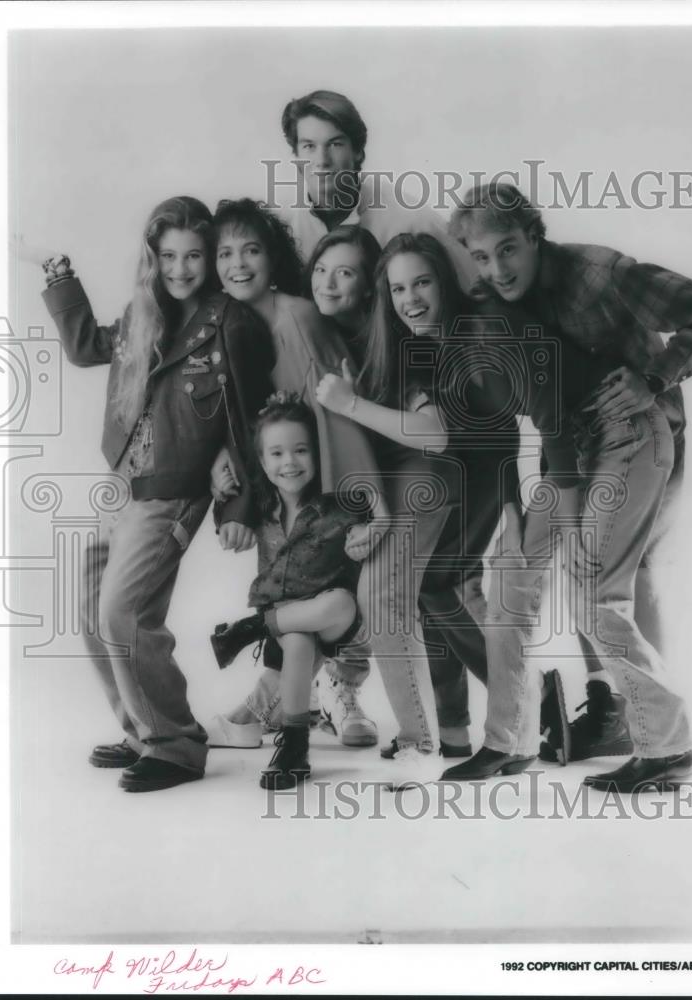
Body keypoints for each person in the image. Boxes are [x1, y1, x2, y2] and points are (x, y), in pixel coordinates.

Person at [444, 182, 692, 790]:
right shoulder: (488, 302)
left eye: (509, 249)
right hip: (568, 450)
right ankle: (508, 740)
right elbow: (535, 404)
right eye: (481, 256)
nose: (497, 269)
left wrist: (654, 375)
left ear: (535, 235)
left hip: (632, 430)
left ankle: (666, 747)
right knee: (512, 574)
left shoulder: (599, 273)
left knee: (597, 590)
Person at [38, 196, 275, 792]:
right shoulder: (144, 313)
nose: (180, 269)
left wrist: (237, 506)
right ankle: (142, 730)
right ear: (153, 258)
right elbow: (87, 346)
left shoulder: (232, 324)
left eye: (193, 255)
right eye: (167, 256)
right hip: (122, 482)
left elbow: (247, 423)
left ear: (209, 258)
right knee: (92, 610)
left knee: (125, 610)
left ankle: (175, 745)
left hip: (173, 492)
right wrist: (58, 273)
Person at [206, 200, 385, 749]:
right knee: (293, 601)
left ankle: (328, 695)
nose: (239, 264)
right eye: (226, 253)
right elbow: (230, 414)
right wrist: (225, 466)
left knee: (340, 594)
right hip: (275, 488)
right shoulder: (226, 322)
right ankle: (279, 707)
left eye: (252, 250)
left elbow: (341, 410)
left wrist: (366, 503)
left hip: (329, 483)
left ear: (273, 256)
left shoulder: (298, 317)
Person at [315, 232, 482, 786]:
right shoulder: (341, 332)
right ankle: (450, 729)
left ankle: (419, 744)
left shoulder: (399, 342)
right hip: (388, 483)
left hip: (423, 478)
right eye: (321, 271)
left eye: (344, 273)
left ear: (368, 289)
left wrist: (350, 403)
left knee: (382, 596)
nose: (328, 283)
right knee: (413, 601)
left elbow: (434, 435)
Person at [210, 393, 368, 790]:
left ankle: (251, 628)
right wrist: (223, 498)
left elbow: (374, 513)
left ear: (318, 454)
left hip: (336, 620)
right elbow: (229, 517)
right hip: (289, 621)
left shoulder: (338, 504)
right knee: (297, 641)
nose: (289, 463)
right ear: (262, 463)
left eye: (300, 451)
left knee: (340, 600)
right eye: (277, 454)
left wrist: (367, 531)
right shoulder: (261, 510)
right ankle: (295, 748)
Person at [271, 89, 477, 291]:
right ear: (296, 155)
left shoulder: (411, 219)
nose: (322, 161)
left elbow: (474, 286)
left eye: (335, 144)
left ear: (358, 152)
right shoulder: (282, 223)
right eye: (309, 146)